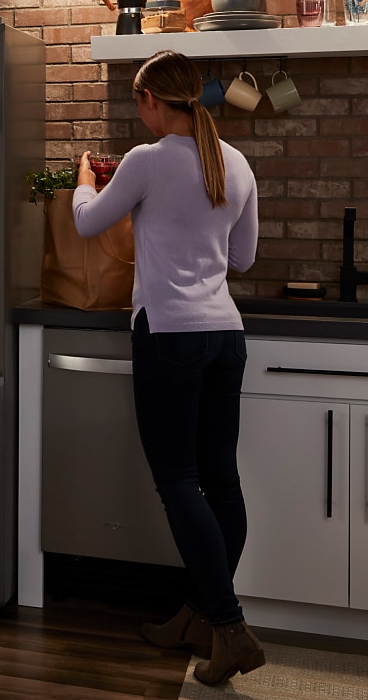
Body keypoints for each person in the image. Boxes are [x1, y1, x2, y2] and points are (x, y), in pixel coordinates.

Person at [72, 50, 262, 686]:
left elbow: (87, 223)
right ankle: (200, 615)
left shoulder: (146, 161)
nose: (139, 112)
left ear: (154, 101)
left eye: (139, 101)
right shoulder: (235, 163)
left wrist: (82, 178)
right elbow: (243, 259)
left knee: (178, 480)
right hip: (225, 335)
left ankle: (230, 628)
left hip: (170, 335)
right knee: (221, 482)